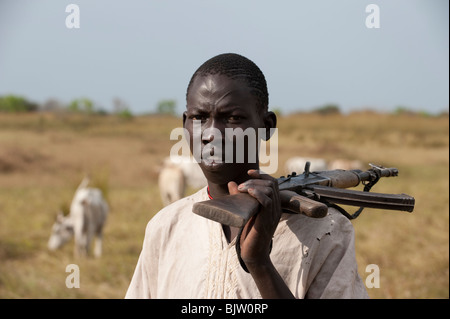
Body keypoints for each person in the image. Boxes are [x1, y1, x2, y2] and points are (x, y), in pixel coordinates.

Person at [125, 53, 369, 298]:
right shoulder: (166, 226)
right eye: (199, 118)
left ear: (266, 126)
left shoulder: (325, 231)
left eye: (232, 118)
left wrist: (259, 263)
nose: (210, 134)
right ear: (185, 124)